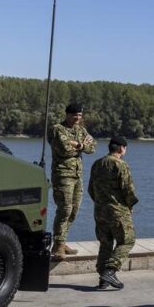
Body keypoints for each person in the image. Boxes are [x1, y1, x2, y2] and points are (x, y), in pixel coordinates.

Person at [87, 136, 138, 290]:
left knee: (106, 244)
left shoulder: (97, 164)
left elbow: (91, 189)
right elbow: (128, 190)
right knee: (127, 241)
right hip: (118, 211)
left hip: (100, 211)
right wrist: (130, 205)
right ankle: (110, 271)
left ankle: (103, 280)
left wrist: (100, 203)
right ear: (121, 148)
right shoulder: (121, 165)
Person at [49, 102, 96, 260]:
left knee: (74, 210)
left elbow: (93, 147)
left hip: (77, 175)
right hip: (63, 175)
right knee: (65, 209)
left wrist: (78, 144)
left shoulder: (80, 130)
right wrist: (81, 145)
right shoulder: (58, 129)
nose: (77, 118)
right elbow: (64, 150)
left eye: (80, 115)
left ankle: (62, 240)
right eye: (75, 115)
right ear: (67, 114)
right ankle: (57, 245)